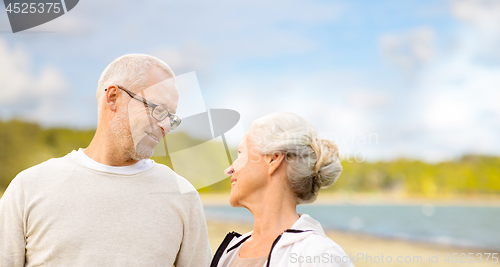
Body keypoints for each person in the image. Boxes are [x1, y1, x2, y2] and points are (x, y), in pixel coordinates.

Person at [0, 54, 212, 266]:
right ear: (113, 97)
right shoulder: (28, 188)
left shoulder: (183, 196)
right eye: (158, 110)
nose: (165, 126)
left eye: (171, 117)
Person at [211, 112, 354, 267]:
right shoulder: (230, 253)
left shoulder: (320, 255)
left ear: (274, 159)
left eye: (240, 153)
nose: (229, 169)